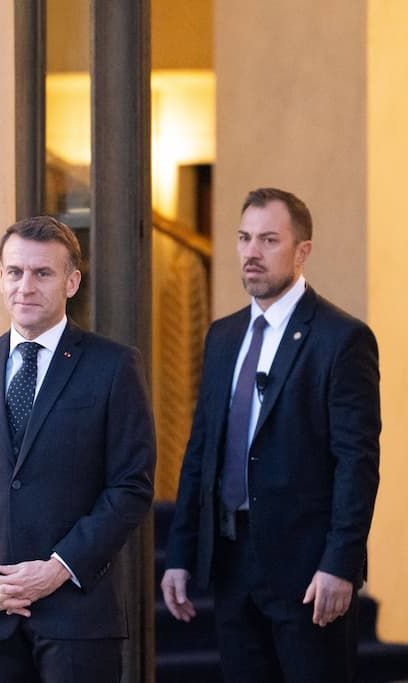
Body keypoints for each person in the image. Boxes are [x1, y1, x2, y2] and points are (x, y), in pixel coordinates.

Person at [161, 188, 381, 682]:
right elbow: (201, 453)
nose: (251, 252)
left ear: (302, 251)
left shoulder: (341, 339)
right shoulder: (223, 336)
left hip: (308, 571)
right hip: (231, 562)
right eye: (244, 238)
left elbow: (357, 463)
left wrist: (340, 563)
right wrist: (180, 554)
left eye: (268, 240)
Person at [0, 215, 155, 682]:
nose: (25, 286)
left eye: (42, 273)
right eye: (15, 272)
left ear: (72, 282)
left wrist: (58, 569)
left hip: (77, 614)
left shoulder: (113, 366)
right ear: (0, 277)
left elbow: (131, 486)